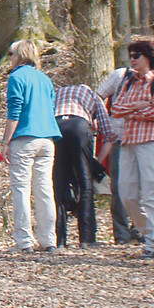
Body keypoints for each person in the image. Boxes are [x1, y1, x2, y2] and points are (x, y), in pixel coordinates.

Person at [109, 41, 154, 260]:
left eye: (137, 55)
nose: (133, 59)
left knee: (152, 192)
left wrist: (131, 110)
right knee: (126, 194)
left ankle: (153, 244)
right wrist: (137, 106)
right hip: (128, 142)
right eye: (131, 56)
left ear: (149, 58)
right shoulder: (127, 83)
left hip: (152, 141)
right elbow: (115, 109)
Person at [2, 40, 62, 253]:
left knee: (21, 190)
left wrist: (6, 141)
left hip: (24, 138)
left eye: (11, 53)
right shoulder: (45, 79)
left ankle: (25, 240)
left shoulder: (17, 77)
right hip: (47, 138)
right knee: (45, 190)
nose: (10, 57)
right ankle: (49, 240)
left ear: (18, 55)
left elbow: (14, 111)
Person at [53, 83, 115, 248]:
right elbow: (108, 133)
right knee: (85, 184)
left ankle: (59, 239)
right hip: (79, 127)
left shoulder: (57, 92)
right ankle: (87, 239)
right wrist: (95, 163)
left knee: (59, 185)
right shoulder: (92, 95)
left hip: (56, 127)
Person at [96, 67, 141, 245]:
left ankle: (141, 229)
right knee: (119, 188)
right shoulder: (120, 75)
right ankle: (121, 234)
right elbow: (98, 95)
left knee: (144, 186)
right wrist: (102, 120)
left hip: (144, 138)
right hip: (118, 137)